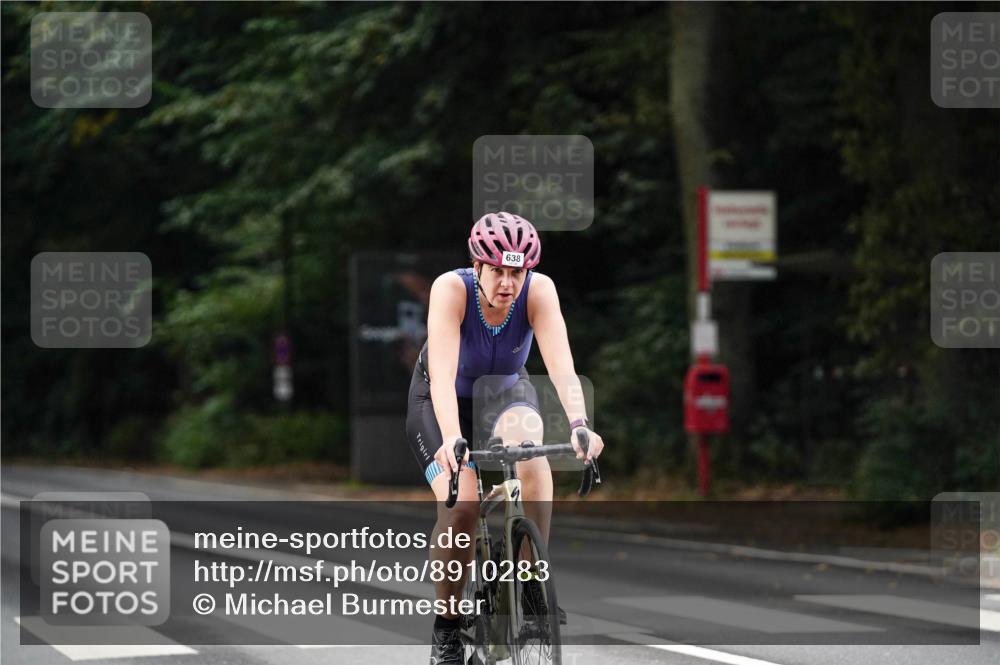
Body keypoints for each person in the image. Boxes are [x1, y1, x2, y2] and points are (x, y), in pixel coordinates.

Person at [405, 211, 605, 664]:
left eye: (517, 272)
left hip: (505, 393)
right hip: (440, 400)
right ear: (477, 266)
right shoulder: (451, 289)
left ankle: (531, 582)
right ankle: (447, 630)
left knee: (532, 455)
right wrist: (452, 439)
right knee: (462, 507)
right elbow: (442, 376)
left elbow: (562, 367)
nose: (508, 283)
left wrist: (579, 424)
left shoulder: (540, 291)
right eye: (497, 271)